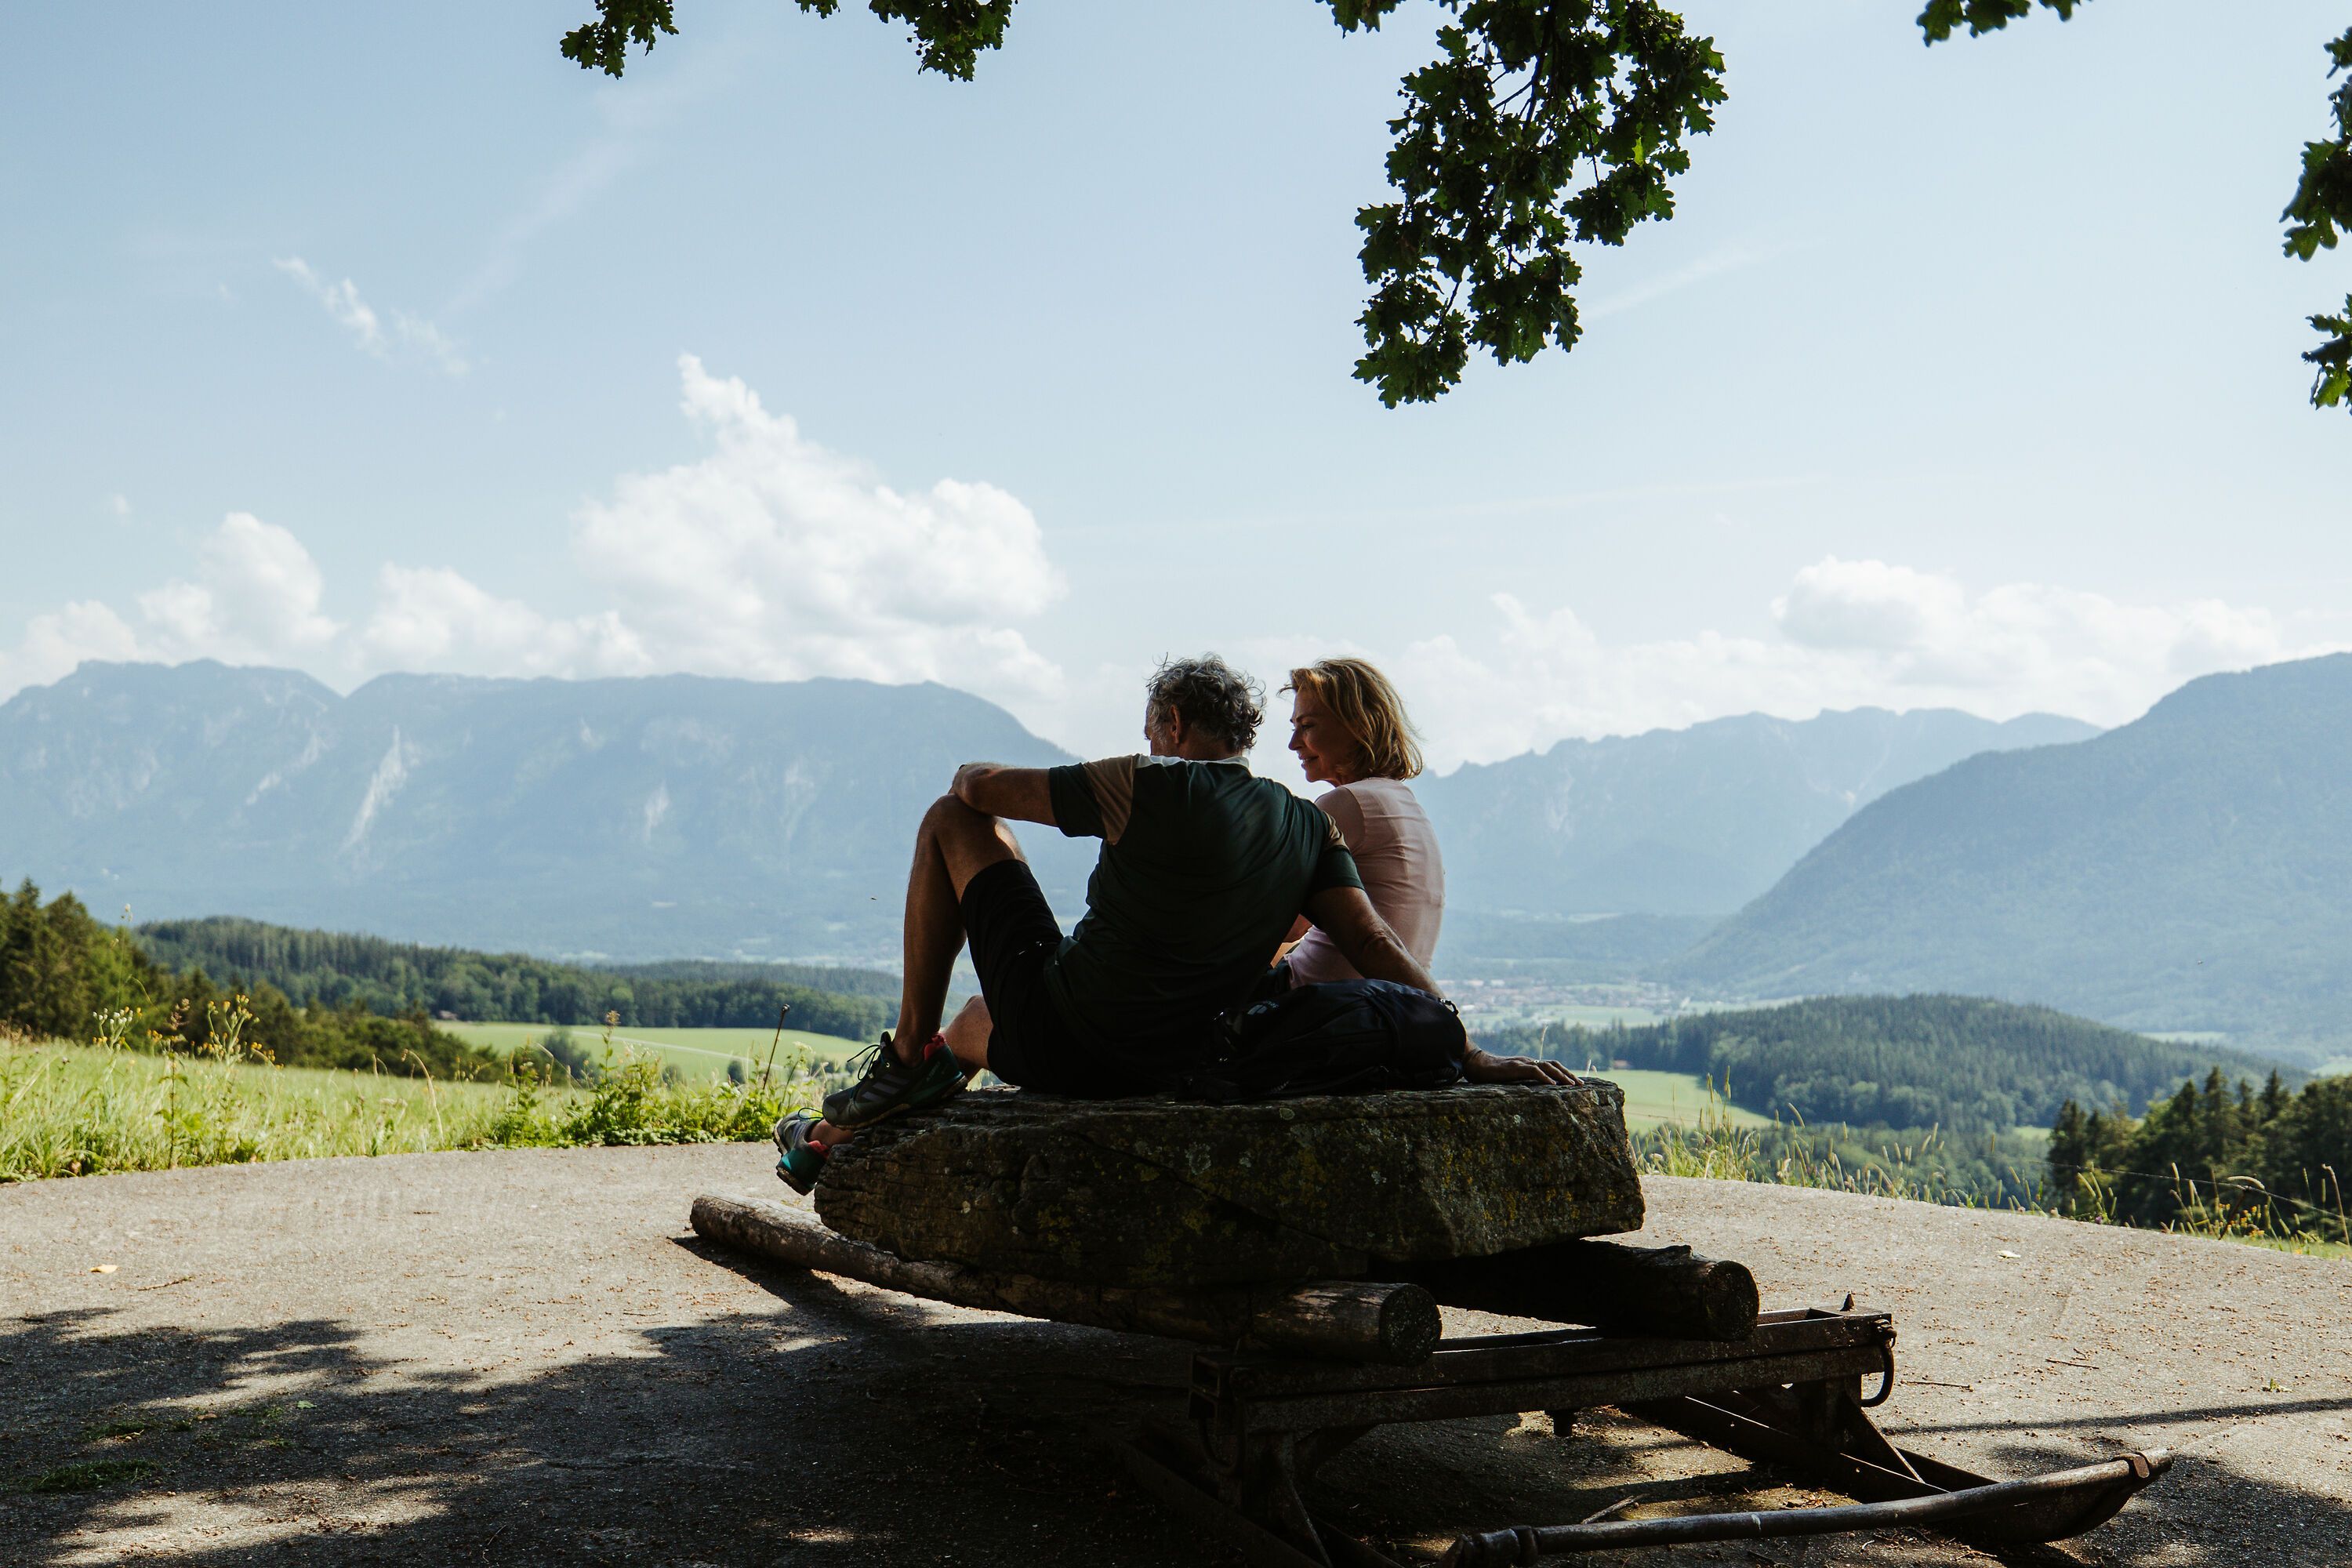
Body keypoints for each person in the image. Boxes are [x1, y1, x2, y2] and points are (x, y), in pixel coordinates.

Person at [774, 655, 1574, 1192]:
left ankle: (907, 1051)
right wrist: (1466, 1047)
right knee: (981, 1020)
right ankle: (835, 1142)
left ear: (1175, 724)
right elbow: (1373, 941)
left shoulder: (1146, 780)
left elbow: (978, 788)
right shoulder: (1305, 824)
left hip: (1069, 1038)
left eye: (1153, 727)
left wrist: (987, 775)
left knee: (949, 817)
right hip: (1176, 1061)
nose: (1148, 740)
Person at [1279, 658, 1443, 985]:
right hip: (1393, 1001)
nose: (1293, 743)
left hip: (1320, 999)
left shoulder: (1346, 803)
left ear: (1358, 726)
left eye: (1308, 726)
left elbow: (1281, 923)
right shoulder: (1400, 800)